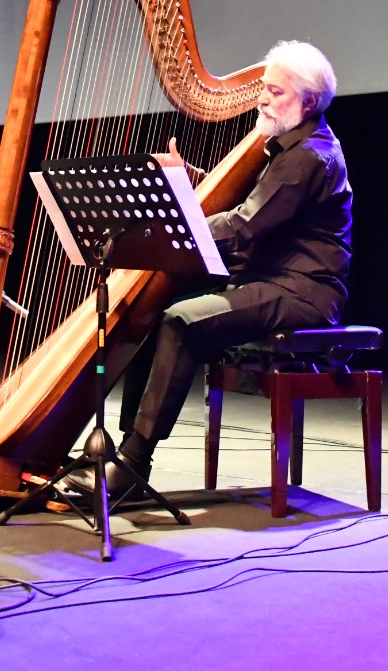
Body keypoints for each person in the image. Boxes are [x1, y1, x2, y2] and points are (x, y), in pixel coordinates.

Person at [112, 40, 352, 494]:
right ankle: (126, 450)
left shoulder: (307, 158)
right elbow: (259, 206)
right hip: (272, 282)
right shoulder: (294, 147)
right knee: (154, 314)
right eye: (264, 88)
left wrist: (170, 225)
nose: (262, 98)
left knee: (181, 321)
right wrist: (193, 185)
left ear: (308, 101)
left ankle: (132, 465)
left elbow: (244, 225)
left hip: (302, 292)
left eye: (275, 92)